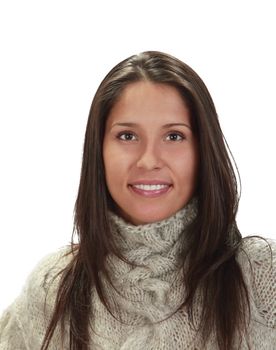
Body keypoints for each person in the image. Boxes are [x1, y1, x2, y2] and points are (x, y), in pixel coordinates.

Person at [0, 51, 275, 350]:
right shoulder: (52, 290)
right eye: (128, 136)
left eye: (174, 137)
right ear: (99, 150)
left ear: (202, 151)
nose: (149, 160)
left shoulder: (261, 277)